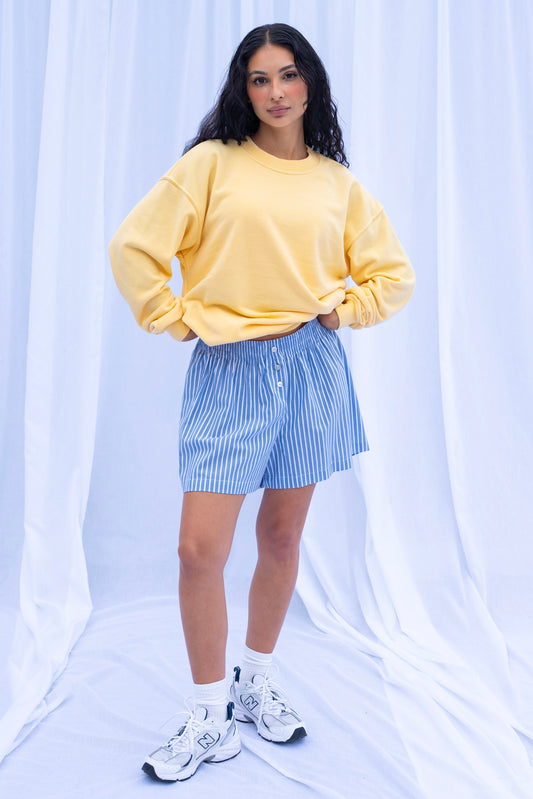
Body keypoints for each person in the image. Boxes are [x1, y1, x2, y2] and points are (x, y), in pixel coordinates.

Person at [109, 22, 415, 783]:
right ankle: (209, 712)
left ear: (310, 81)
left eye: (287, 75)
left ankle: (254, 679)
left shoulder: (337, 185)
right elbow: (134, 248)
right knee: (197, 550)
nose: (275, 92)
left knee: (281, 540)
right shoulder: (211, 164)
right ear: (240, 89)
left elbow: (393, 274)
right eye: (258, 78)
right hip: (230, 369)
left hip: (309, 367)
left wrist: (344, 309)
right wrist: (174, 317)